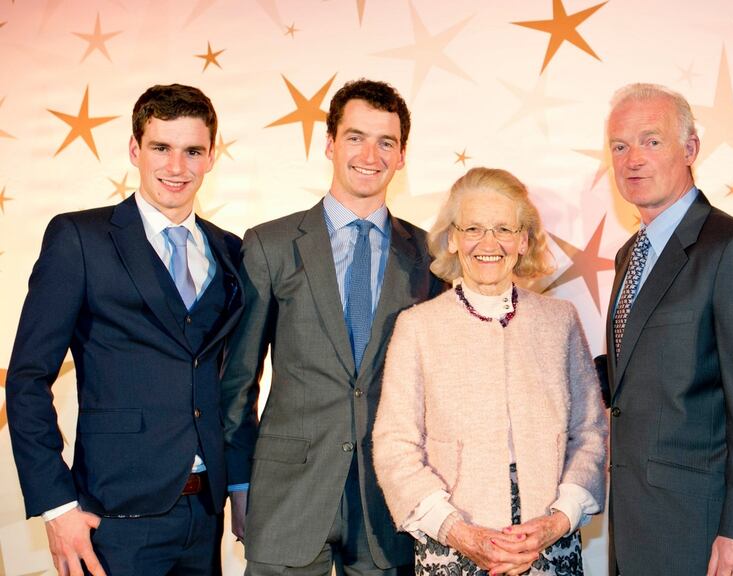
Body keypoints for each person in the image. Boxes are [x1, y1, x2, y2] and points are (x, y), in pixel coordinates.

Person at [7, 84, 242, 575]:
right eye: (161, 147)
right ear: (135, 150)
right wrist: (56, 505)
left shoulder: (230, 250)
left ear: (211, 157)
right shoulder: (80, 239)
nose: (176, 166)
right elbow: (27, 379)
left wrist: (239, 485)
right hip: (112, 520)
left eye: (192, 151)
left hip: (206, 515)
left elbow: (232, 384)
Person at [220, 78, 445, 576]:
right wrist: (239, 483)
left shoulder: (431, 256)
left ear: (402, 156)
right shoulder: (270, 245)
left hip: (390, 502)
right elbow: (238, 382)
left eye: (385, 142)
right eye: (355, 137)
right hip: (286, 497)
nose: (370, 155)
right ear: (329, 143)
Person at [372, 167, 608, 576]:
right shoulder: (417, 326)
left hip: (549, 542)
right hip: (452, 541)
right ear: (452, 238)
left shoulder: (560, 321)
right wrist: (457, 531)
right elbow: (395, 445)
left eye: (503, 229)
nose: (489, 243)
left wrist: (558, 521)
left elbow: (590, 431)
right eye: (473, 229)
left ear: (523, 240)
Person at [599, 83, 733, 576]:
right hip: (636, 529)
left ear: (690, 148)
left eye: (651, 141)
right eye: (619, 146)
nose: (633, 159)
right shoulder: (629, 256)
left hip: (707, 536)